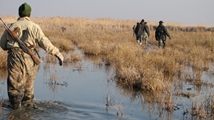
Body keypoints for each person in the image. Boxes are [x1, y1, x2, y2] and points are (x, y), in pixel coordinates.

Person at [0, 3, 64, 110]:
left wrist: (12, 46)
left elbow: (2, 45)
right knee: (28, 87)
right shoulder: (35, 27)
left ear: (19, 14)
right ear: (30, 14)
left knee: (15, 87)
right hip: (30, 58)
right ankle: (28, 111)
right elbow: (44, 42)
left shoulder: (11, 27)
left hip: (14, 58)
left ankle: (16, 111)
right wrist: (57, 53)